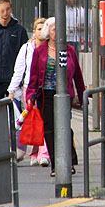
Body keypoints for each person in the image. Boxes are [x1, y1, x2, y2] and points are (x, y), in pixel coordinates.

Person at [26, 17, 85, 177]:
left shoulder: (70, 50)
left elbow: (77, 76)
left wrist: (82, 95)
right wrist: (30, 95)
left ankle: (69, 161)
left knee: (65, 128)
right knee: (49, 130)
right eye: (54, 29)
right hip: (45, 95)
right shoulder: (40, 51)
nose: (57, 32)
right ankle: (55, 164)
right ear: (48, 31)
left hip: (64, 95)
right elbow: (33, 76)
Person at [8, 17, 50, 167]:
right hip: (29, 89)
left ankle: (43, 153)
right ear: (34, 31)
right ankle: (34, 152)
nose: (42, 31)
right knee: (33, 121)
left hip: (46, 89)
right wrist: (11, 90)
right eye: (39, 29)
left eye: (44, 28)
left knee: (44, 121)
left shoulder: (51, 48)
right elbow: (18, 71)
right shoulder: (26, 48)